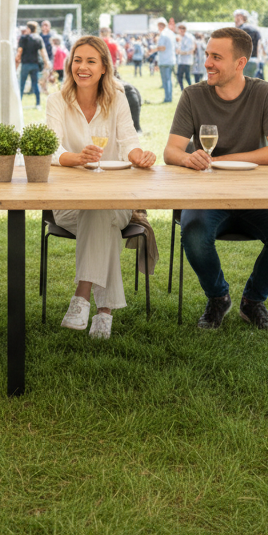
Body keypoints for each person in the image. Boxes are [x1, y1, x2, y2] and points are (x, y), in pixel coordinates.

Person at [164, 27, 268, 332]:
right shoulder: (193, 95)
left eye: (216, 57)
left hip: (255, 196)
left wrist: (221, 161)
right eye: (207, 55)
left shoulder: (265, 93)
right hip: (206, 197)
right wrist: (187, 158)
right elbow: (171, 150)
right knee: (193, 233)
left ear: (240, 63)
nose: (207, 63)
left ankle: (253, 301)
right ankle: (218, 298)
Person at [45, 35, 156, 339]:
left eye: (91, 61)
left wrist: (139, 156)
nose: (82, 67)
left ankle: (81, 297)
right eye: (77, 60)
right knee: (99, 215)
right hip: (68, 204)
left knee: (101, 208)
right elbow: (51, 150)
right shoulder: (56, 101)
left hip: (115, 201)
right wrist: (76, 158)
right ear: (69, 64)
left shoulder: (117, 99)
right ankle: (104, 312)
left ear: (104, 67)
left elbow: (129, 142)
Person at [15, 21, 47, 106]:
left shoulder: (23, 38)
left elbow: (20, 51)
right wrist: (46, 62)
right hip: (35, 64)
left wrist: (16, 60)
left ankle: (19, 103)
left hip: (25, 64)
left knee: (22, 84)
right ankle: (38, 103)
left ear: (29, 29)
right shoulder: (38, 38)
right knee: (35, 84)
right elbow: (43, 52)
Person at [233, 10, 262, 79]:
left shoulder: (238, 30)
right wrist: (258, 59)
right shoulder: (255, 29)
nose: (235, 19)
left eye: (237, 17)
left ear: (242, 17)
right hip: (253, 60)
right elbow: (259, 44)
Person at [155, 18, 176, 103]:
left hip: (165, 60)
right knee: (168, 80)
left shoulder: (163, 34)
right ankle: (169, 97)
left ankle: (167, 98)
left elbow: (162, 47)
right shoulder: (171, 33)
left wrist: (154, 49)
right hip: (171, 59)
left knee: (166, 80)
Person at [176, 23, 195, 93]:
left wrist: (182, 52)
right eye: (180, 28)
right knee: (179, 76)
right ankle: (182, 89)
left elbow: (191, 49)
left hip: (187, 60)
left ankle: (191, 89)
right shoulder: (178, 37)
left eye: (183, 28)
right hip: (180, 60)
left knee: (187, 76)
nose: (181, 30)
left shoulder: (189, 37)